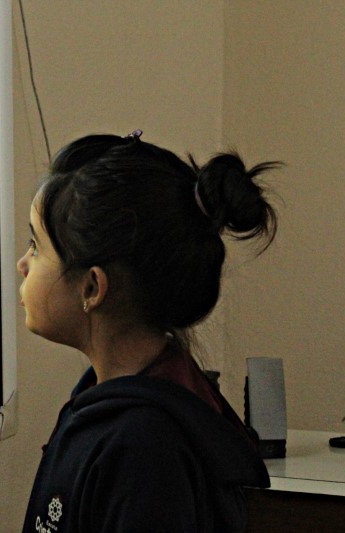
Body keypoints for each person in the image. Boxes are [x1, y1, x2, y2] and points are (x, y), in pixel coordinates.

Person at [18, 130, 279, 532]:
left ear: (92, 288)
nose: (23, 264)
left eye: (36, 247)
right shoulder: (106, 401)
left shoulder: (145, 449)